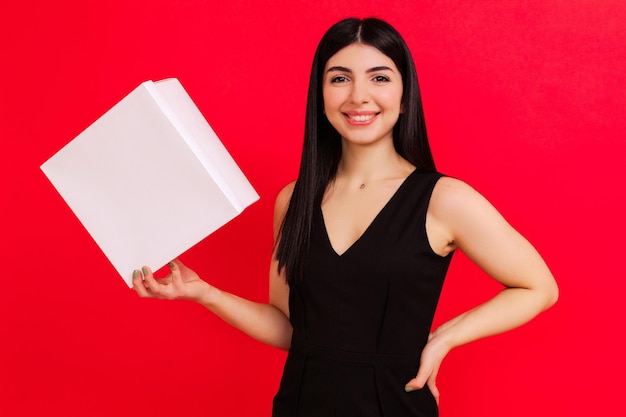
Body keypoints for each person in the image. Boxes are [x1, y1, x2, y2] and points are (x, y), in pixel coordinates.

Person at [132, 17, 558, 417]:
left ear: (405, 95)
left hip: (396, 405)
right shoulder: (293, 199)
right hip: (299, 404)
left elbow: (538, 287)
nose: (358, 96)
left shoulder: (443, 199)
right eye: (340, 78)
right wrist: (205, 293)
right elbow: (288, 328)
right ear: (320, 96)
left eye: (379, 78)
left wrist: (445, 337)